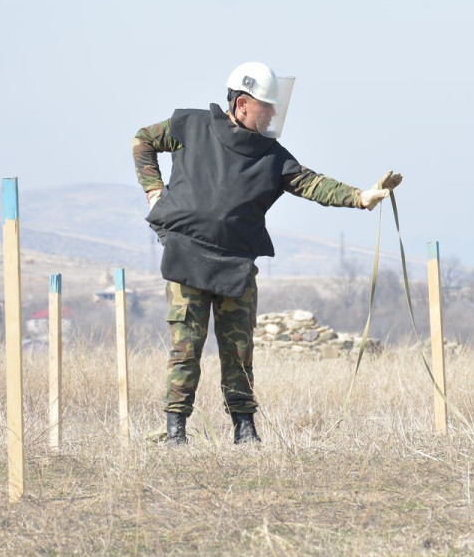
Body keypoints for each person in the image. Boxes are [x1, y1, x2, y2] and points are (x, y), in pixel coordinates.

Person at [133, 61, 402, 445]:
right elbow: (142, 139)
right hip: (186, 257)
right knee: (186, 347)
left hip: (236, 265)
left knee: (239, 351)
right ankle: (176, 431)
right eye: (268, 105)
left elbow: (311, 183)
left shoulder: (271, 156)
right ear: (242, 104)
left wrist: (360, 197)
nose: (274, 113)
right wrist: (153, 190)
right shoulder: (190, 126)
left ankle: (245, 430)